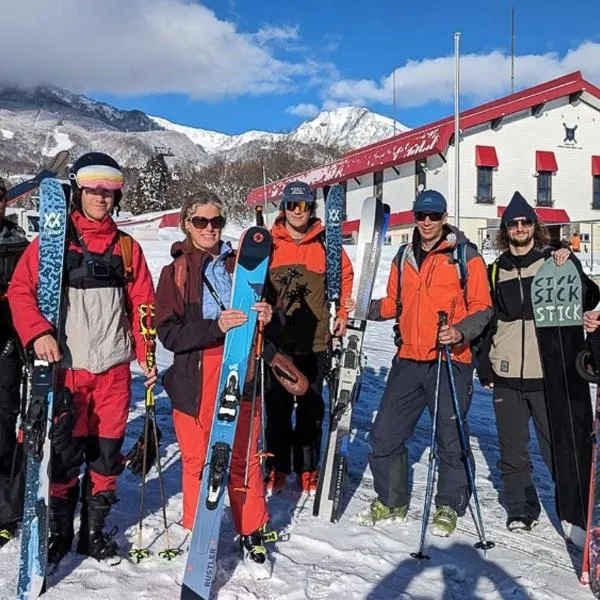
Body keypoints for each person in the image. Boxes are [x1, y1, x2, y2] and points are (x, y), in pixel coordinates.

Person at [8, 152, 157, 564]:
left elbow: (143, 303)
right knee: (64, 455)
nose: (101, 197)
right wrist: (38, 333)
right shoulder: (53, 243)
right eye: (93, 189)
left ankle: (93, 532)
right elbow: (21, 291)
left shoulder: (127, 249)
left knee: (106, 455)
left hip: (112, 369)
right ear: (78, 191)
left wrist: (147, 354)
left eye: (110, 191)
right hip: (67, 370)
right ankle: (58, 530)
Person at [155, 191, 274, 565]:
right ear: (186, 224)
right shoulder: (176, 271)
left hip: (242, 368)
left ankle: (250, 528)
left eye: (217, 221)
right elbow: (168, 333)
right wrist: (215, 327)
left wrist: (270, 315)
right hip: (195, 376)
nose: (210, 228)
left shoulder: (243, 264)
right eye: (201, 221)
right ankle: (199, 530)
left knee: (242, 457)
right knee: (196, 459)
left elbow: (273, 315)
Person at [366, 189, 492, 536]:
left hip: (450, 360)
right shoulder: (402, 257)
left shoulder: (466, 256)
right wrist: (363, 307)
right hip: (408, 358)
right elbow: (394, 304)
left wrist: (460, 331)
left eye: (433, 216)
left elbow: (483, 307)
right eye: (421, 215)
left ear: (444, 218)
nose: (426, 222)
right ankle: (391, 500)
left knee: (450, 437)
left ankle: (449, 505)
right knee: (384, 433)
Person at [477, 191, 599, 543]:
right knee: (512, 450)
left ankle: (574, 512)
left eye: (525, 221)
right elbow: (490, 322)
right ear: (505, 229)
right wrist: (484, 364)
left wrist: (571, 263)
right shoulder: (495, 270)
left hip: (547, 374)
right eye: (513, 223)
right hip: (506, 373)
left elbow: (588, 297)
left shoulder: (553, 262)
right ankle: (520, 508)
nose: (519, 227)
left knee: (558, 447)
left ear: (535, 226)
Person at [264, 181, 353, 495]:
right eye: (291, 205)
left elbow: (344, 277)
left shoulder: (326, 245)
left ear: (312, 208)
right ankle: (276, 468)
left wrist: (342, 313)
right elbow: (249, 278)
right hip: (276, 344)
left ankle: (307, 469)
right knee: (276, 411)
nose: (296, 212)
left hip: (315, 342)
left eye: (302, 206)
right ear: (284, 207)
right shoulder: (270, 243)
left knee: (310, 412)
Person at [0, 177, 28, 546]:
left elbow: (29, 296)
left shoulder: (17, 243)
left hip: (5, 348)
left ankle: (5, 511)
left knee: (3, 430)